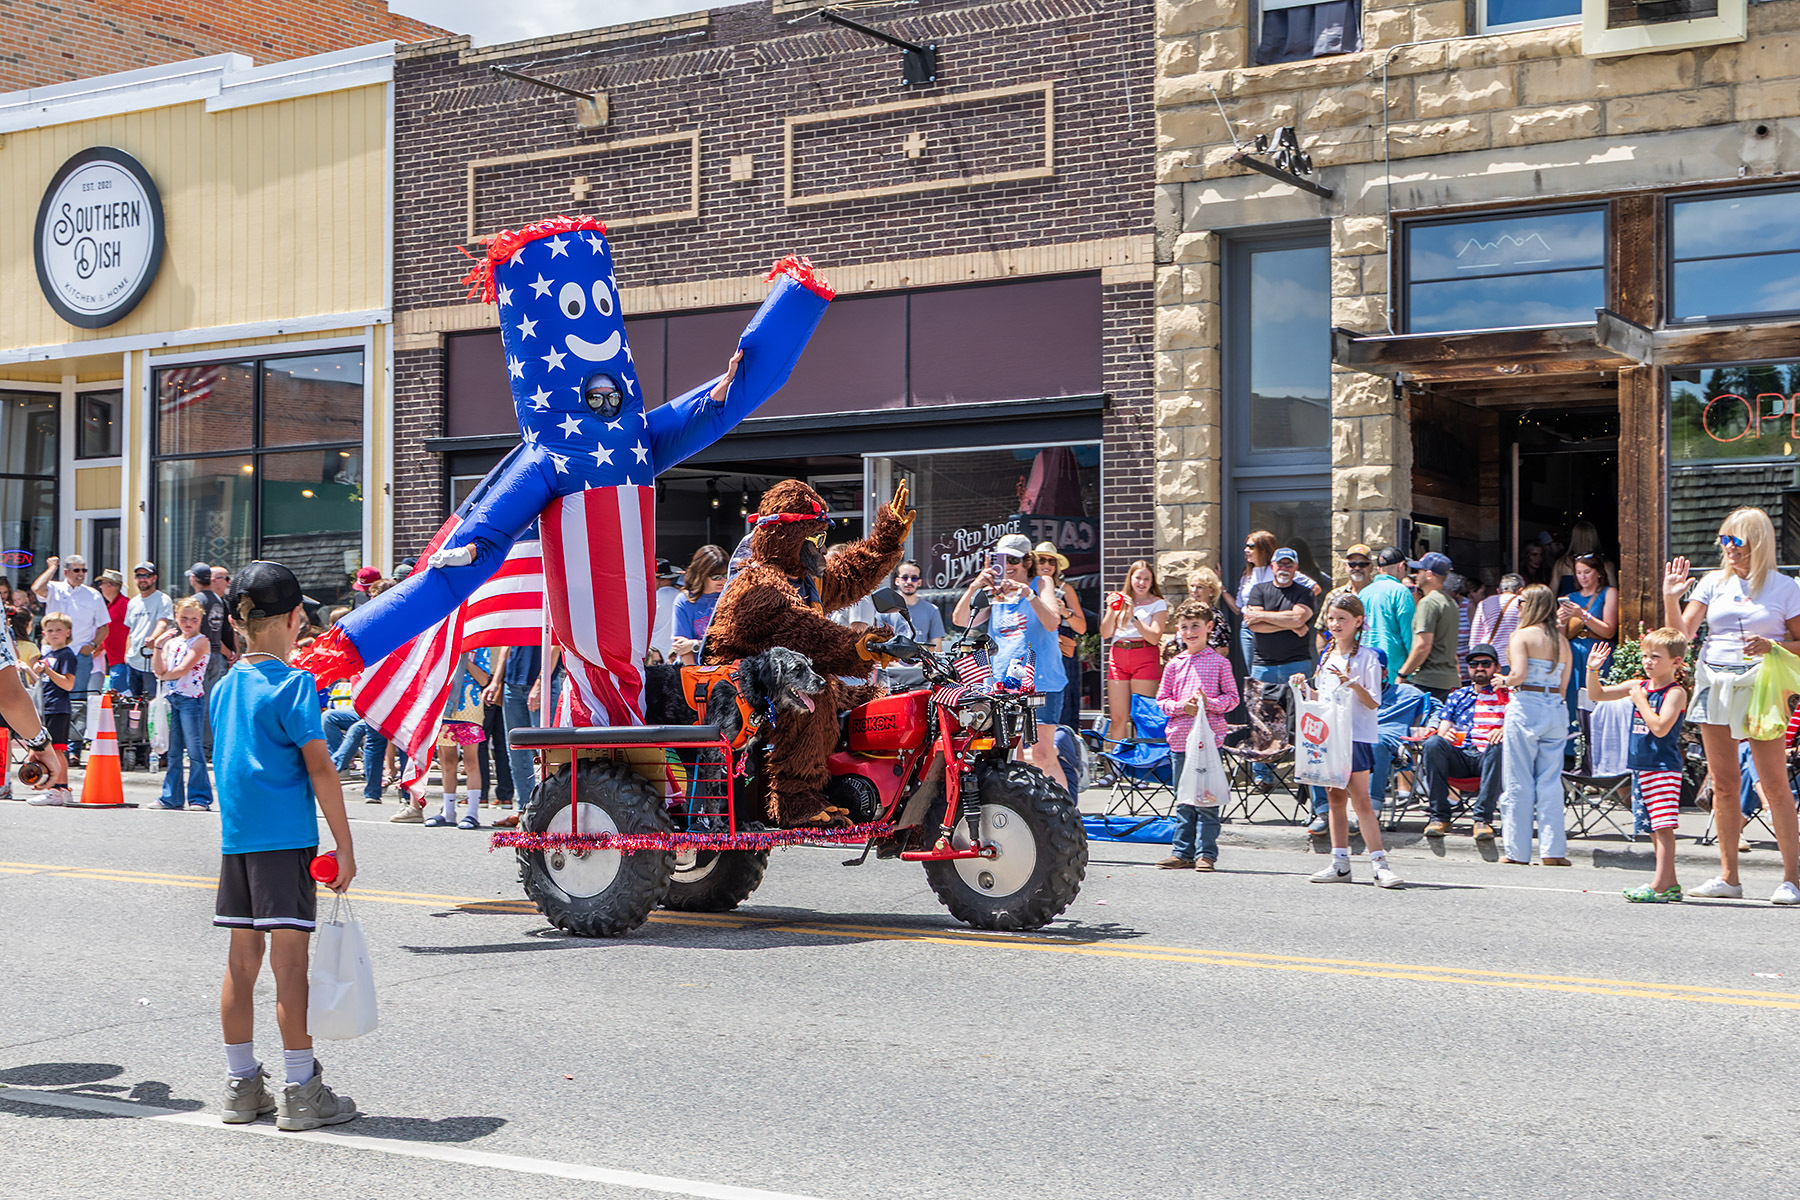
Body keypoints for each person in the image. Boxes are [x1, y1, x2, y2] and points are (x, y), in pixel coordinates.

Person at [211, 560, 358, 1131]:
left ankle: (241, 1084)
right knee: (290, 966)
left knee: (241, 963)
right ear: (296, 618)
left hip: (237, 841)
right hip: (286, 841)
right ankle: (302, 1088)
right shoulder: (295, 684)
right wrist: (344, 847)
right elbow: (321, 769)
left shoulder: (223, 689)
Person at [1663, 507, 1800, 903]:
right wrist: (1672, 598)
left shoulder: (1784, 587)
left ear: (1757, 543)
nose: (1727, 548)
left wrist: (1772, 645)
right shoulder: (1712, 583)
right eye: (1723, 539)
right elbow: (1680, 635)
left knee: (1773, 783)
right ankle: (1728, 876)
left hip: (1760, 686)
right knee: (1723, 784)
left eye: (1735, 540)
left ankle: (1792, 878)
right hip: (1715, 681)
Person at [1299, 594, 1402, 888]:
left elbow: (1373, 703)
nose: (1335, 624)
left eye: (1342, 619)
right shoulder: (1327, 656)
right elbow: (1323, 698)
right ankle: (1339, 862)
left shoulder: (1368, 657)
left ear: (1358, 622)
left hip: (1356, 736)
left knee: (1362, 801)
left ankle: (1380, 864)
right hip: (1330, 736)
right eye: (1331, 619)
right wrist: (1304, 690)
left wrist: (1353, 683)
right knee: (1334, 800)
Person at [952, 532, 1066, 785]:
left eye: (1013, 561)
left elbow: (1052, 622)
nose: (1007, 567)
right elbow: (960, 621)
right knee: (1013, 754)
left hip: (1041, 680)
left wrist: (1028, 593)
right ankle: (1029, 812)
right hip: (1004, 685)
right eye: (1001, 560)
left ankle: (1068, 816)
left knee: (1043, 753)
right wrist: (975, 586)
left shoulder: (1041, 583)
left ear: (1027, 562)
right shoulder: (996, 591)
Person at [1586, 631, 1690, 903]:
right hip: (1642, 765)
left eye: (1656, 657)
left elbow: (1659, 727)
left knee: (1663, 826)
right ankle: (1671, 883)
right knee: (1653, 827)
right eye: (1646, 656)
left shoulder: (1675, 692)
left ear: (1675, 661)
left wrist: (1640, 700)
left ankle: (1658, 885)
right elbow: (1597, 694)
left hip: (1663, 766)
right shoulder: (1639, 685)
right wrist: (1592, 669)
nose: (1648, 662)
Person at [1153, 601, 1238, 871]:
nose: (1190, 632)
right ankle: (1182, 852)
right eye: (1185, 627)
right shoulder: (1174, 665)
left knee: (1207, 799)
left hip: (1209, 742)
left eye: (1196, 626)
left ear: (1209, 628)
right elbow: (1162, 700)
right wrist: (1182, 707)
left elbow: (1233, 699)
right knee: (1184, 798)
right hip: (1180, 740)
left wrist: (1208, 703)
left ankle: (1207, 853)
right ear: (1178, 630)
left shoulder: (1220, 663)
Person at [1496, 584, 1572, 866]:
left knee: (1518, 779)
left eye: (1522, 601)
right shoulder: (1561, 640)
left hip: (1527, 703)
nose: (1518, 605)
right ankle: (1553, 851)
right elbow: (1564, 685)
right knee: (1551, 780)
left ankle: (1517, 851)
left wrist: (1502, 681)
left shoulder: (1522, 636)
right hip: (1555, 707)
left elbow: (1518, 674)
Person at [1418, 643, 1506, 841]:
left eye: (1486, 663)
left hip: (1490, 757)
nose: (1480, 668)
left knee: (1499, 746)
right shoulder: (1458, 695)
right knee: (1433, 743)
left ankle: (1482, 819)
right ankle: (1439, 816)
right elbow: (1443, 729)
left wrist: (1503, 729)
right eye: (1474, 664)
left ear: (1497, 668)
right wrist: (1445, 735)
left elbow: (1517, 724)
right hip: (1461, 756)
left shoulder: (1507, 695)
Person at [31, 554, 108, 763]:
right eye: (76, 570)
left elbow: (103, 626)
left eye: (83, 570)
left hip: (78, 654)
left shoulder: (93, 595)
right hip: (53, 652)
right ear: (66, 572)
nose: (81, 574)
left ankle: (72, 749)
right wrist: (51, 568)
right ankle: (47, 743)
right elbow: (37, 589)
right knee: (48, 698)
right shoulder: (55, 588)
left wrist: (91, 646)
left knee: (76, 701)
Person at [153, 597, 212, 811]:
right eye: (184, 618)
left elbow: (182, 670)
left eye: (194, 619)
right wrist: (158, 646)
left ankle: (200, 798)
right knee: (174, 751)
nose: (188, 623)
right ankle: (171, 797)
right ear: (177, 618)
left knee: (195, 750)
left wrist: (164, 674)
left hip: (191, 699)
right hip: (172, 698)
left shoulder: (201, 641)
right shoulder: (172, 642)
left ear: (200, 621)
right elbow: (158, 670)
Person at [1100, 559, 1166, 739]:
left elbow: (1154, 637)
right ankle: (1117, 765)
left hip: (1144, 654)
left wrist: (1133, 618)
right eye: (1138, 578)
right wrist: (1111, 609)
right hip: (1119, 655)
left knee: (1142, 717)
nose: (1142, 583)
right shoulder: (1120, 600)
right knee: (1117, 718)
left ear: (1152, 582)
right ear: (1130, 579)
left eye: (1147, 579)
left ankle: (1142, 764)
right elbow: (1105, 633)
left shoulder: (1158, 603)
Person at [1236, 530, 1319, 670]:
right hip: (1249, 627)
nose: (1246, 550)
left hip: (1280, 636)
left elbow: (1315, 588)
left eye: (1251, 546)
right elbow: (1240, 607)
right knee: (1253, 673)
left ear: (1263, 548)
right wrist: (1291, 624)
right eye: (1246, 546)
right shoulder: (1248, 574)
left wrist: (1297, 614)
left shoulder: (1284, 570)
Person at [426, 650, 489, 829]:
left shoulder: (479, 647)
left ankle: (472, 813)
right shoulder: (445, 643)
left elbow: (484, 679)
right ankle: (448, 811)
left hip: (470, 708)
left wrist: (463, 657)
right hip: (444, 707)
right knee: (447, 761)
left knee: (470, 761)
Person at [1242, 548, 1316, 697]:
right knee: (1261, 716)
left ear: (1296, 568)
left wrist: (1261, 615)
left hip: (1296, 665)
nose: (1284, 568)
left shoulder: (1305, 592)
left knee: (1299, 713)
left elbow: (1298, 618)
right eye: (1280, 564)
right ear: (1272, 566)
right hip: (1263, 666)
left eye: (1289, 565)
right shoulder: (1259, 590)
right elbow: (1253, 625)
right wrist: (1290, 625)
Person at [1558, 554, 1618, 734]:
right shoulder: (1570, 597)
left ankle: (1597, 742)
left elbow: (1608, 631)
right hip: (1573, 650)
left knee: (1596, 696)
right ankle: (1572, 747)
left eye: (1587, 572)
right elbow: (1562, 637)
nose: (1582, 577)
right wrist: (1560, 622)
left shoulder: (1609, 593)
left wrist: (1582, 615)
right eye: (1578, 573)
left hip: (1597, 649)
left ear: (1598, 573)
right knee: (1572, 696)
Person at [26, 613, 79, 804]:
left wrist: (48, 670)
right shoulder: (48, 655)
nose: (54, 634)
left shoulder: (66, 655)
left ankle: (58, 789)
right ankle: (57, 788)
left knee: (56, 750)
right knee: (46, 749)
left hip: (58, 707)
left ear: (67, 632)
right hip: (45, 707)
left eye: (58, 630)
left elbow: (68, 684)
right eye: (50, 630)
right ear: (44, 634)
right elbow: (40, 681)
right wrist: (30, 670)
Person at [1032, 543, 1086, 718]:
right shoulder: (1027, 588)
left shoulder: (1065, 590)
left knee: (1063, 707)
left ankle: (1062, 741)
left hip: (1060, 650)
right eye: (1042, 560)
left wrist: (1064, 612)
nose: (1047, 565)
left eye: (1051, 561)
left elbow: (1081, 628)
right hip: (1034, 648)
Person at [1398, 552, 1460, 700]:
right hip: (1448, 680)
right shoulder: (1450, 603)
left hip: (1427, 680)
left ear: (1429, 574)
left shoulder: (1428, 603)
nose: (1415, 575)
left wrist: (1403, 673)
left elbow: (1423, 645)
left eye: (1419, 571)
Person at [1358, 546, 1416, 684]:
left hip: (1365, 665)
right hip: (1393, 670)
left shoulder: (1363, 593)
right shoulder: (1401, 591)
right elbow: (1409, 633)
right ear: (1400, 566)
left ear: (1379, 569)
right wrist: (1412, 668)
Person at [122, 562, 173, 699]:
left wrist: (153, 638)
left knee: (153, 704)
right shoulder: (133, 602)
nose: (142, 579)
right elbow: (131, 630)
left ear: (154, 578)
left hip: (152, 663)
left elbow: (163, 622)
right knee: (135, 706)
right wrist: (127, 654)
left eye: (147, 575)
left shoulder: (163, 599)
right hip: (133, 662)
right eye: (139, 575)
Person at [672, 544, 727, 665]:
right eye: (716, 577)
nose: (722, 581)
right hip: (692, 670)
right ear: (701, 574)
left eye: (725, 575)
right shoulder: (685, 601)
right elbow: (682, 647)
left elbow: (730, 644)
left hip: (724, 670)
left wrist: (695, 644)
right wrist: (694, 679)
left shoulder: (730, 598)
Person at [880, 560, 947, 650]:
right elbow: (879, 645)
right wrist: (893, 664)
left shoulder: (932, 610)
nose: (909, 581)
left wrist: (921, 664)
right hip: (892, 663)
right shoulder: (884, 610)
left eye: (914, 578)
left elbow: (936, 647)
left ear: (919, 582)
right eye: (904, 577)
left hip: (921, 663)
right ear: (897, 581)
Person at [1471, 573, 1524, 673]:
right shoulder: (1522, 603)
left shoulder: (1484, 603)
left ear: (1498, 590)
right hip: (1513, 660)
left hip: (1489, 660)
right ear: (1520, 590)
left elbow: (1475, 637)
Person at [1552, 519, 1617, 595]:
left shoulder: (1561, 563)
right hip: (1595, 605)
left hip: (1567, 605)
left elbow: (1552, 592)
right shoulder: (1605, 564)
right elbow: (1614, 592)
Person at [97, 570, 129, 690]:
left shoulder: (123, 604)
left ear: (110, 585)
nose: (100, 587)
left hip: (122, 661)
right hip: (113, 660)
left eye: (102, 583)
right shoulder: (111, 606)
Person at [650, 558, 682, 663]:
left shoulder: (650, 600)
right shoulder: (683, 598)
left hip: (654, 659)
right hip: (676, 657)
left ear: (655, 580)